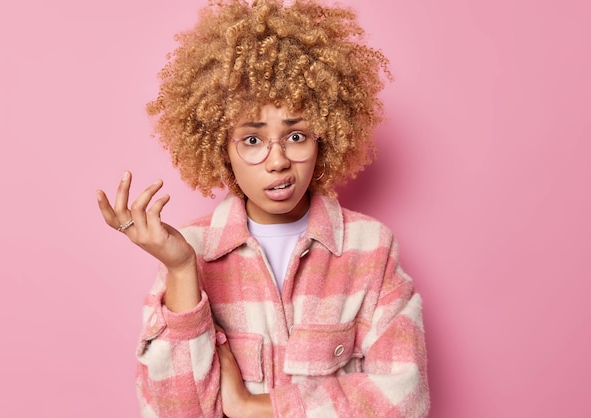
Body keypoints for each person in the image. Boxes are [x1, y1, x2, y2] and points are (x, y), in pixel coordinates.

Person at [96, 0, 429, 416]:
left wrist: (259, 408)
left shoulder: (372, 249)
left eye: (296, 136)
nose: (277, 161)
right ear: (222, 148)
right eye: (252, 140)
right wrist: (183, 269)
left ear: (324, 136)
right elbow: (171, 411)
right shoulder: (191, 249)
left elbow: (405, 396)